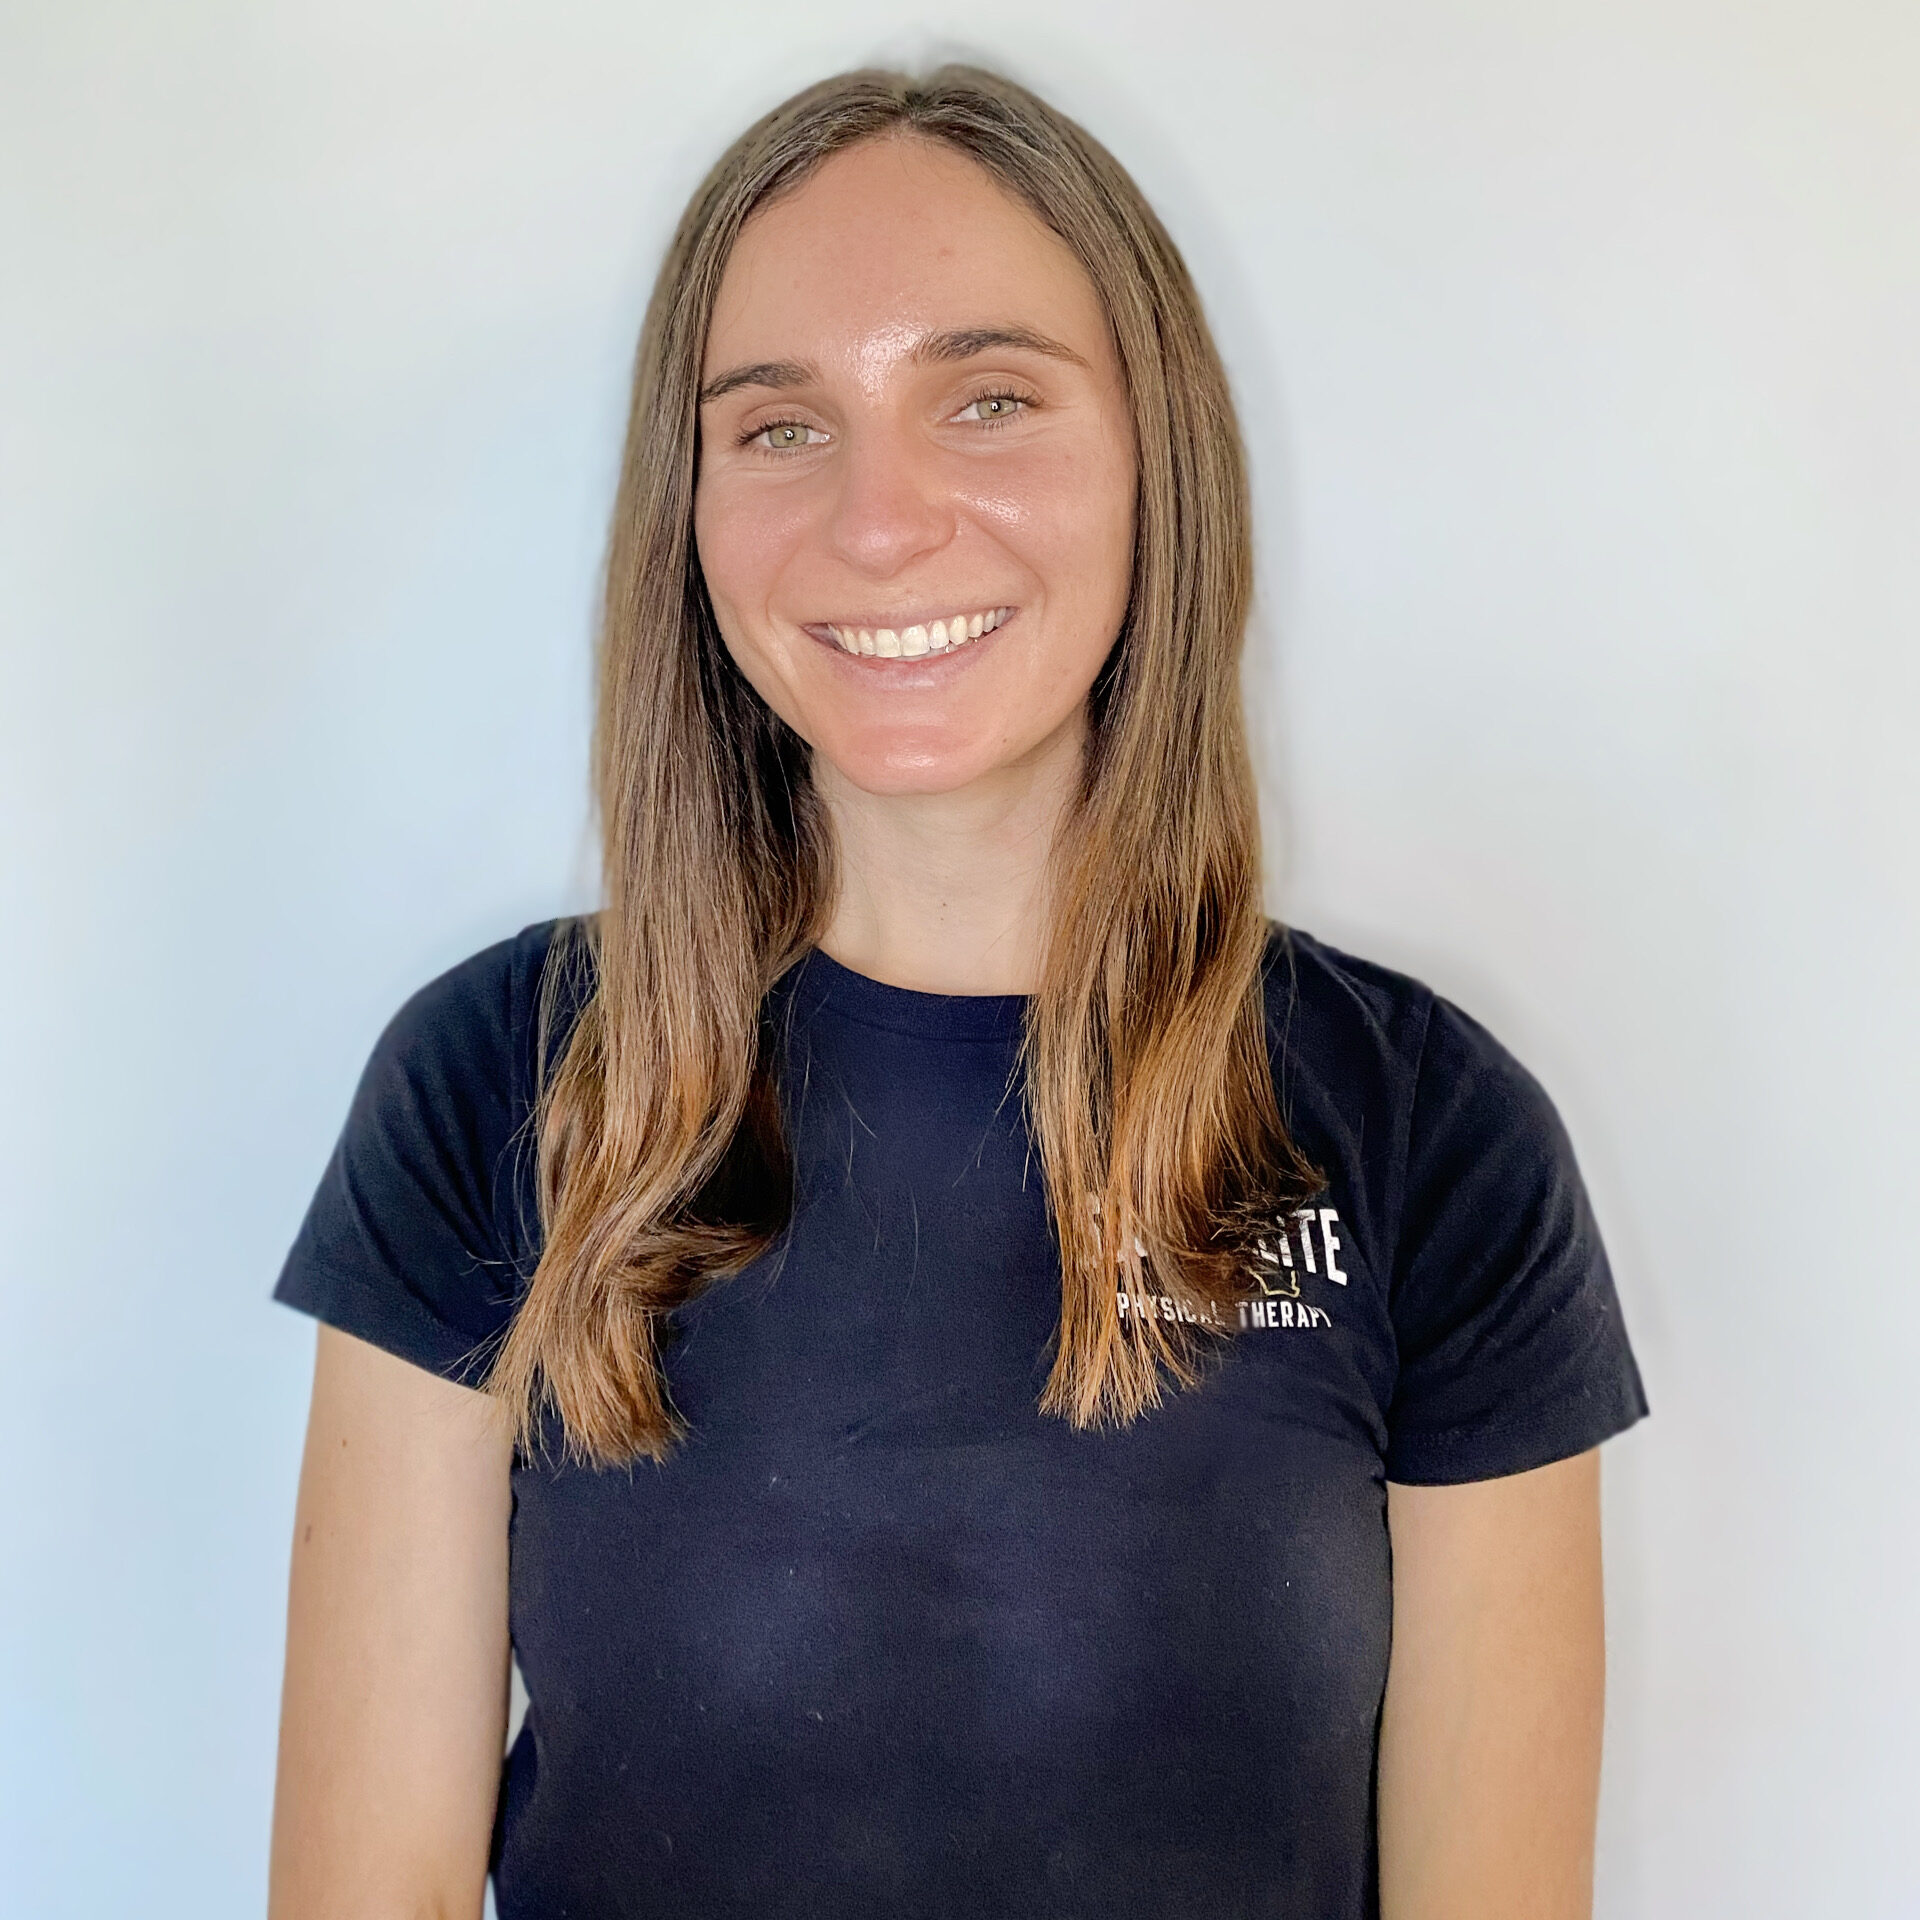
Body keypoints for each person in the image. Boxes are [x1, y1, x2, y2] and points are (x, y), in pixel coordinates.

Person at [267, 64, 1647, 1920]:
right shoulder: (494, 1088)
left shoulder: (1430, 1137)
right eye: (777, 427)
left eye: (987, 399)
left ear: (1159, 451)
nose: (883, 519)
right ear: (687, 510)